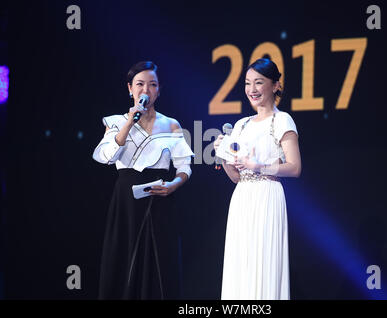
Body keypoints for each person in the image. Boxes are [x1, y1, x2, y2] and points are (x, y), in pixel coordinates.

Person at [92, 61, 194, 299]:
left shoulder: (171, 124)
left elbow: (185, 166)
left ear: (159, 90)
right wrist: (130, 121)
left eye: (152, 84)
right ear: (130, 88)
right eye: (140, 84)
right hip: (126, 203)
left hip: (158, 200)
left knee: (158, 265)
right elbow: (105, 157)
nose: (145, 89)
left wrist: (173, 185)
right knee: (122, 261)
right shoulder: (116, 122)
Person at [214, 58, 301, 300]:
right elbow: (235, 177)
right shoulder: (241, 125)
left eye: (259, 83)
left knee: (264, 260)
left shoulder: (281, 120)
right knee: (241, 262)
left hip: (267, 195)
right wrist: (222, 155)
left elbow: (294, 168)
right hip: (243, 197)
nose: (252, 89)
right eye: (248, 83)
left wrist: (260, 166)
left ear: (275, 85)